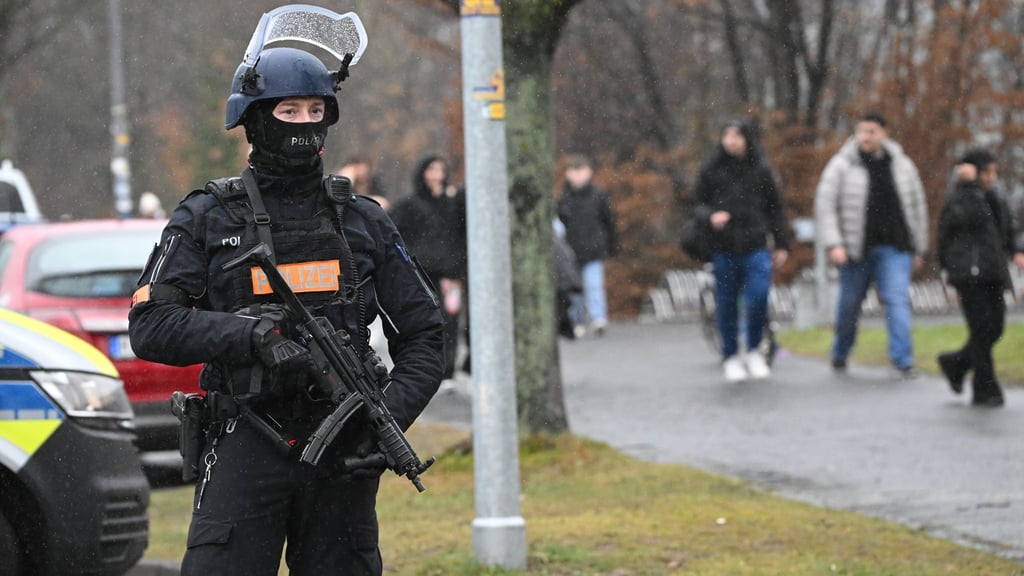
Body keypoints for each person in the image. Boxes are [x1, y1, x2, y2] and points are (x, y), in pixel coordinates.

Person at [127, 8, 444, 575]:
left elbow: (425, 337)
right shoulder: (205, 216)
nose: (303, 122)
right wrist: (250, 336)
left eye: (315, 110)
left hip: (344, 451)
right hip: (245, 440)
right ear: (255, 118)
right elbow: (151, 327)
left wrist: (383, 419)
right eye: (288, 109)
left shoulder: (364, 221)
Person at [814, 112, 929, 379]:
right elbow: (825, 206)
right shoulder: (841, 165)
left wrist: (919, 248)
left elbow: (917, 206)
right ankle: (841, 352)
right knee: (849, 305)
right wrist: (834, 244)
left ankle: (903, 360)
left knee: (897, 300)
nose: (866, 137)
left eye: (872, 131)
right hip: (856, 250)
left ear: (884, 133)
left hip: (895, 247)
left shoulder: (902, 165)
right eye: (861, 131)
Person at [692, 120, 789, 382]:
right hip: (723, 246)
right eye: (727, 135)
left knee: (758, 297)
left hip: (755, 244)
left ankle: (755, 348)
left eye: (736, 135)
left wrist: (782, 244)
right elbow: (696, 204)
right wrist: (711, 216)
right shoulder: (711, 170)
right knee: (726, 303)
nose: (731, 141)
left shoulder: (760, 170)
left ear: (747, 139)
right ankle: (731, 355)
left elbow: (775, 209)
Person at [936, 149, 1024, 407]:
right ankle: (985, 389)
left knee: (995, 327)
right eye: (986, 172)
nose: (992, 177)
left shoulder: (997, 195)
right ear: (972, 171)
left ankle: (956, 363)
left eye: (994, 172)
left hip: (993, 271)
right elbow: (969, 219)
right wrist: (970, 185)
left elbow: (1007, 228)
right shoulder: (959, 196)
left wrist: (1017, 250)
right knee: (981, 328)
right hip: (968, 272)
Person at [389, 153, 467, 379]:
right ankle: (426, 367)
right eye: (431, 170)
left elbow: (461, 235)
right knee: (424, 321)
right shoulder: (410, 204)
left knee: (450, 322)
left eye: (440, 170)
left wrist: (457, 267)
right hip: (421, 274)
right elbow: (392, 230)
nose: (436, 175)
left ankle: (447, 371)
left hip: (449, 275)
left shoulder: (452, 203)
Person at [556, 154, 618, 336]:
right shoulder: (563, 199)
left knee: (593, 285)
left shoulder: (598, 196)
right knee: (574, 288)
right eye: (574, 171)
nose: (578, 176)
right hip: (571, 251)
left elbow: (609, 222)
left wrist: (611, 244)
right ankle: (577, 320)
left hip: (593, 250)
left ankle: (598, 317)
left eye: (581, 171)